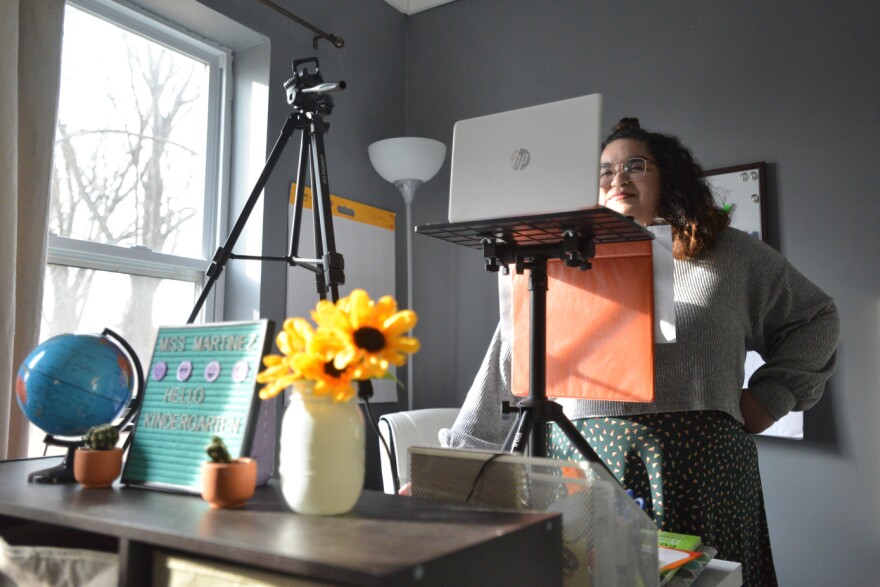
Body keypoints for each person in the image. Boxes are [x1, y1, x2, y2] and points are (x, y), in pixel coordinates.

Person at [439, 118, 840, 586]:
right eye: (604, 171)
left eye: (635, 165)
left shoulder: (729, 252)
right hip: (582, 471)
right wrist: (450, 483)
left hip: (703, 473)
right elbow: (510, 364)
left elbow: (817, 318)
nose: (618, 178)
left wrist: (771, 398)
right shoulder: (558, 259)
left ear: (667, 175)